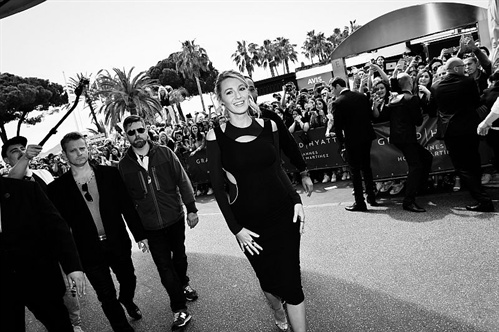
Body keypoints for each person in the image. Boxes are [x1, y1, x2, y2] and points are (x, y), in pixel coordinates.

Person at [207, 70, 306, 332]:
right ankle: (276, 308)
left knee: (293, 282)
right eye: (229, 92)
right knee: (268, 280)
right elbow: (218, 188)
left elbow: (277, 169)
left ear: (249, 91)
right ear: (221, 100)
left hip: (284, 214)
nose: (238, 96)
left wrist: (296, 199)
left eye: (241, 88)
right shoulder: (216, 136)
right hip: (248, 224)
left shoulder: (269, 126)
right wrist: (236, 229)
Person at [48, 132, 149, 332]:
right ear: (65, 155)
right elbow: (60, 229)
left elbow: (127, 207)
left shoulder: (109, 174)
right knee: (106, 295)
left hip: (117, 242)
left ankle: (127, 300)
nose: (79, 153)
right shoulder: (57, 189)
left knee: (129, 278)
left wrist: (140, 235)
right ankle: (122, 328)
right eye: (73, 150)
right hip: (88, 250)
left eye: (82, 148)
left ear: (88, 149)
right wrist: (70, 263)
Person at [118, 115, 199, 331]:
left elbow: (183, 180)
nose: (137, 135)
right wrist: (139, 235)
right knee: (164, 268)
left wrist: (191, 209)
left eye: (140, 130)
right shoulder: (123, 166)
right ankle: (179, 309)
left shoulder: (165, 152)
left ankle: (184, 284)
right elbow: (127, 204)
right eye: (131, 132)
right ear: (126, 136)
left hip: (175, 218)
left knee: (179, 259)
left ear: (146, 130)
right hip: (150, 228)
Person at [2, 136, 85, 332]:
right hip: (32, 255)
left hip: (56, 241)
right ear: (6, 160)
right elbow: (14, 179)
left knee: (68, 289)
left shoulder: (43, 174)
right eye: (15, 151)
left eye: (23, 148)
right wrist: (25, 159)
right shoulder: (9, 183)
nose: (22, 152)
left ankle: (76, 323)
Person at [430, 57, 495, 212]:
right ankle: (482, 197)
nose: (465, 69)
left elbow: (432, 110)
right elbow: (476, 103)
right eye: (463, 67)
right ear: (457, 68)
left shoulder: (436, 86)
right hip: (469, 129)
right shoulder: (468, 82)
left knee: (462, 166)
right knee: (473, 161)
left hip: (451, 132)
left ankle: (482, 198)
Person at [245, 76, 313, 196]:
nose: (248, 94)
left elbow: (289, 144)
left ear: (256, 91)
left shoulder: (270, 117)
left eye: (251, 89)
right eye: (242, 89)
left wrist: (303, 173)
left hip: (275, 178)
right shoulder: (229, 126)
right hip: (248, 186)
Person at [386, 73, 433, 212]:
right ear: (410, 83)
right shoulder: (412, 99)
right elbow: (418, 121)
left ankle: (419, 189)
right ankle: (409, 201)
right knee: (416, 166)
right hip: (407, 138)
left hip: (398, 138)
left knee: (426, 157)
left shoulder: (394, 99)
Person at [330, 77, 379, 211]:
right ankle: (372, 198)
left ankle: (360, 203)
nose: (332, 92)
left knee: (355, 172)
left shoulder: (338, 102)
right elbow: (370, 116)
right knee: (367, 168)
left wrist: (341, 145)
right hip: (366, 137)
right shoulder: (361, 96)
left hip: (352, 141)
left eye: (332, 88)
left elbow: (338, 128)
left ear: (338, 86)